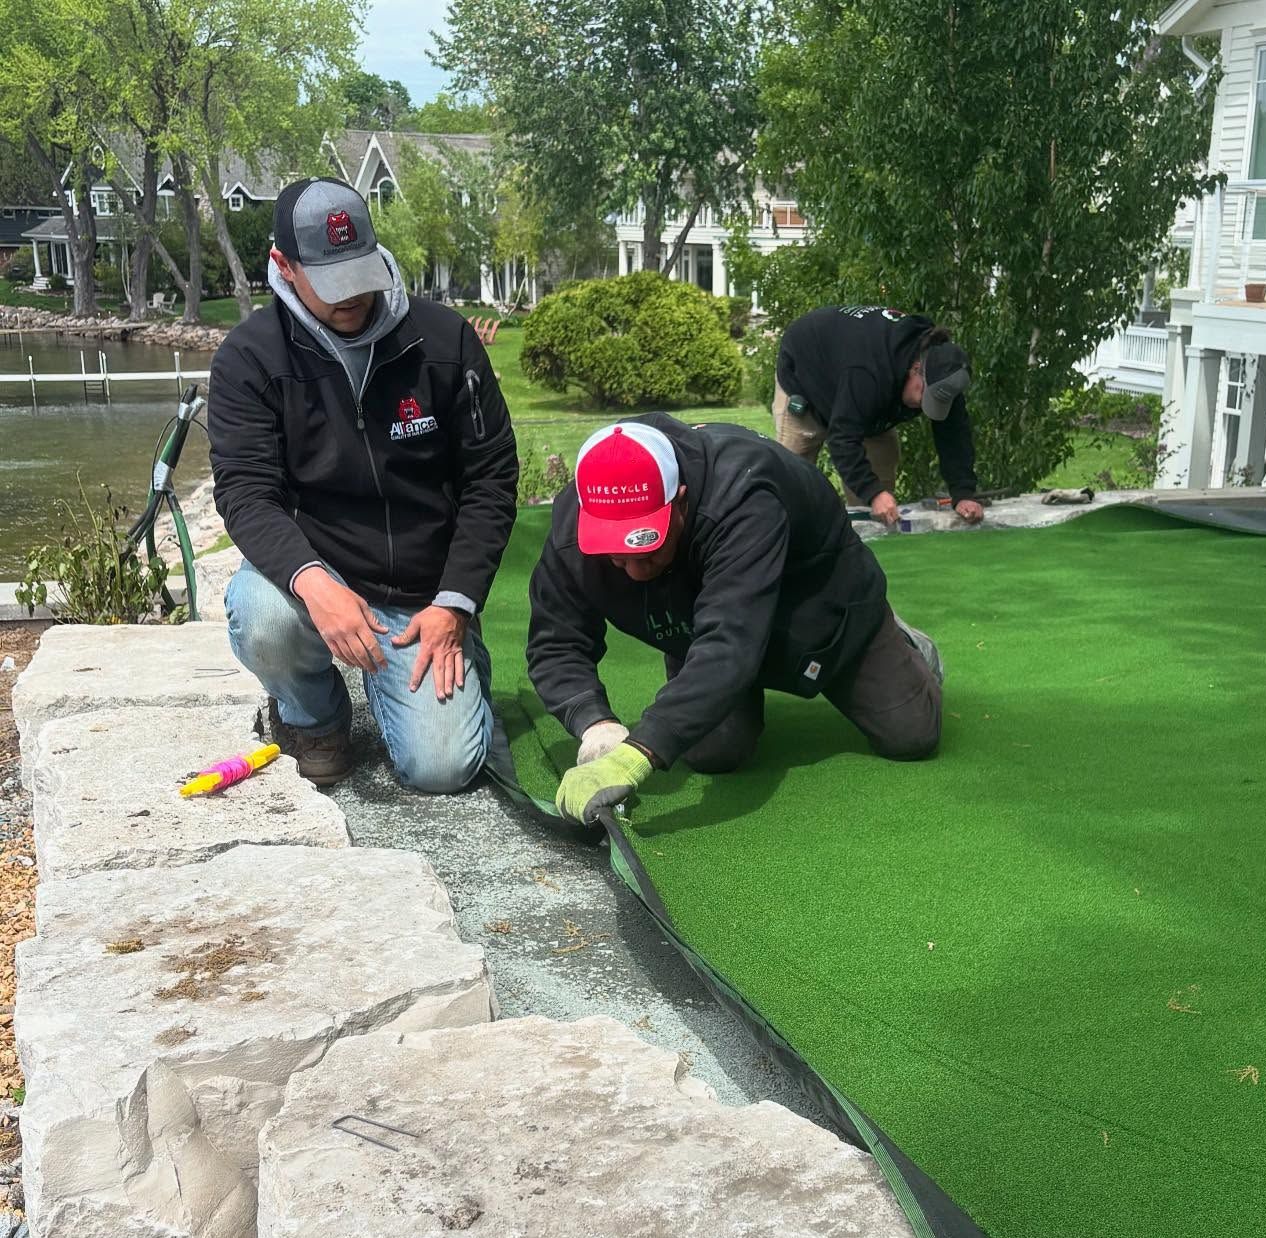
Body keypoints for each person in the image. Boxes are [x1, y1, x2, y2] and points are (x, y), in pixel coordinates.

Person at [207, 178, 518, 791]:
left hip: (421, 592)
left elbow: (491, 479)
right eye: (330, 280)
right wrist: (314, 582)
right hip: (320, 570)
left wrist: (455, 602)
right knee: (263, 615)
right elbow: (246, 493)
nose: (351, 297)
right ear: (283, 266)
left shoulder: (446, 341)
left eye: (360, 271)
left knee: (443, 770)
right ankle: (313, 719)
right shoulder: (249, 357)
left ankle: (449, 656)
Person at [527, 415, 945, 827]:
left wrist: (639, 753)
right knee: (714, 753)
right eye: (617, 555)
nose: (634, 571)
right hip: (705, 624)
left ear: (681, 501)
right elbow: (556, 643)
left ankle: (906, 644)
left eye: (647, 549)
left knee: (910, 735)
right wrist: (594, 725)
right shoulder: (574, 526)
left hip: (823, 611)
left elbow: (730, 643)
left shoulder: (745, 494)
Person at [773, 304, 984, 530]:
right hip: (806, 373)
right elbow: (842, 438)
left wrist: (963, 493)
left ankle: (867, 553)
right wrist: (873, 493)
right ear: (915, 368)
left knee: (881, 500)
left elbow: (954, 436)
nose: (923, 406)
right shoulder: (868, 372)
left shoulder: (944, 372)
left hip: (866, 397)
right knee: (792, 483)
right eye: (923, 395)